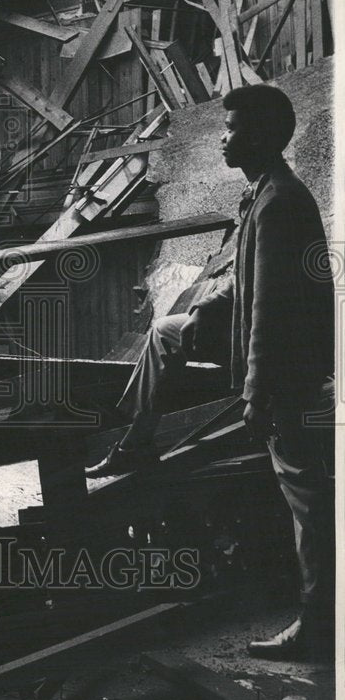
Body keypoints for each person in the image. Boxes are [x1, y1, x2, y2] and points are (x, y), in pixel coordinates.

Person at [85, 84, 335, 658]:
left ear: (265, 136)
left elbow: (272, 307)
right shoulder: (262, 194)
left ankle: (320, 624)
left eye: (233, 128)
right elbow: (243, 280)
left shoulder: (279, 203)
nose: (223, 137)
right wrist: (207, 306)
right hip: (266, 349)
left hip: (288, 372)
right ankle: (138, 439)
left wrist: (255, 394)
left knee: (309, 502)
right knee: (167, 330)